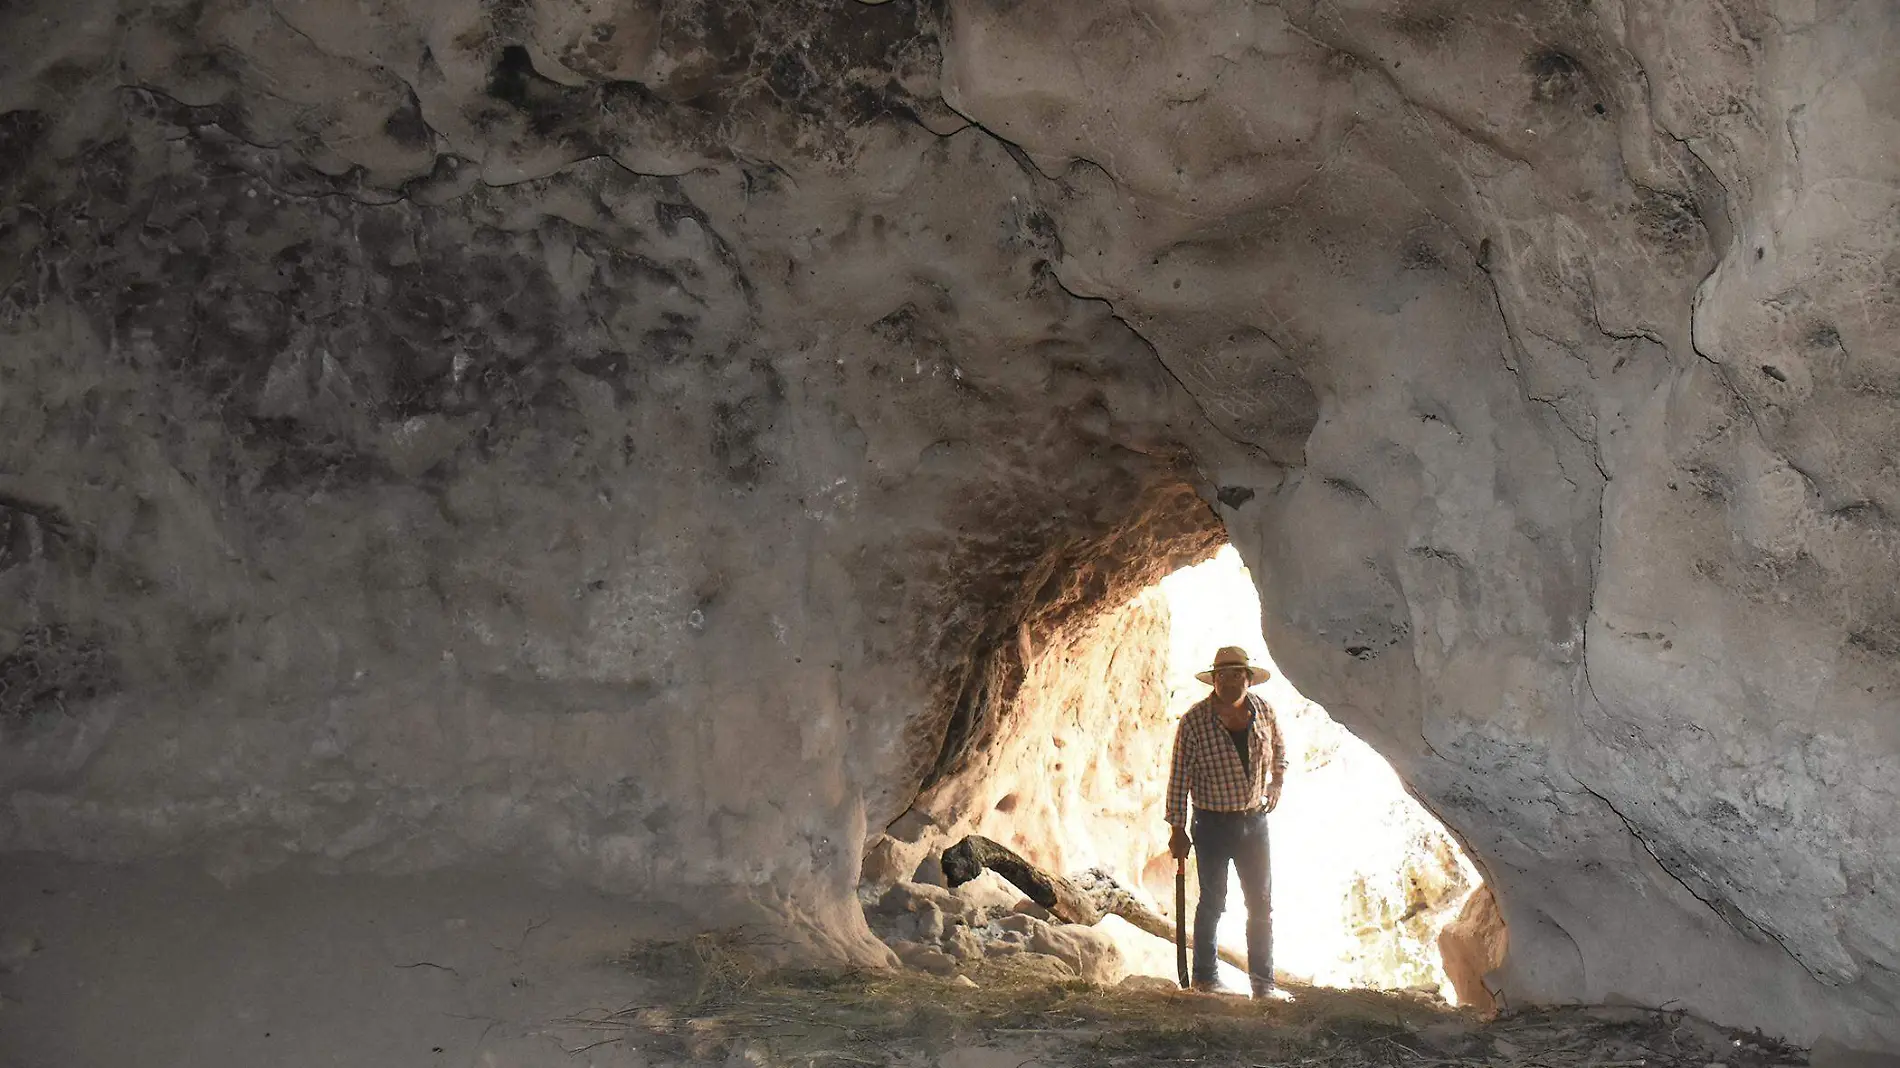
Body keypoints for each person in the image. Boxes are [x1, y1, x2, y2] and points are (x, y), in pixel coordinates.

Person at [1164, 645, 1290, 999]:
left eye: (1237, 674)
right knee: (1213, 901)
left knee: (1261, 903)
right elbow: (1178, 778)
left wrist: (1276, 783)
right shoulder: (1194, 722)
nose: (1230, 681)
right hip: (1212, 824)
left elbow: (1280, 752)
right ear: (1214, 680)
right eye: (1223, 675)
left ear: (1249, 679)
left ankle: (1263, 985)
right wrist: (1177, 827)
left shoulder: (1263, 711)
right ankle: (1206, 978)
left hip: (1254, 823)